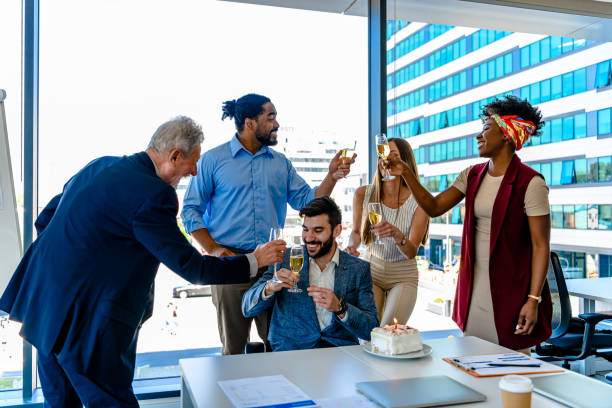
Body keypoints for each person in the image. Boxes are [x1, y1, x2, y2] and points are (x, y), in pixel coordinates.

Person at [0, 116, 285, 408]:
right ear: (175, 155)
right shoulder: (154, 194)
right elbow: (192, 269)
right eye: (193, 162)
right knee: (113, 402)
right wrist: (254, 259)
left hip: (43, 308)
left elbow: (47, 218)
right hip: (88, 325)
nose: (195, 170)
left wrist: (80, 267)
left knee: (59, 403)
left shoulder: (100, 165)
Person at [181, 93, 355, 355]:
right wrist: (214, 249)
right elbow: (191, 210)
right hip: (230, 265)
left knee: (277, 345)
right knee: (233, 350)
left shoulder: (280, 163)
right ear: (250, 123)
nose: (276, 123)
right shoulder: (213, 160)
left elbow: (308, 202)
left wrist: (331, 176)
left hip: (273, 267)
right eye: (270, 116)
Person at [389, 96, 552, 352]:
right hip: (474, 287)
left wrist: (533, 299)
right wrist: (406, 172)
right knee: (474, 361)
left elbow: (541, 245)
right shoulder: (472, 174)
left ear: (507, 134)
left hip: (511, 290)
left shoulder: (531, 183)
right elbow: (433, 207)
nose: (479, 135)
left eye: (486, 128)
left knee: (512, 365)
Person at [242, 196, 378, 351]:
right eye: (305, 229)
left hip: (339, 354)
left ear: (337, 230)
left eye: (318, 230)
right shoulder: (283, 259)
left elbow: (371, 330)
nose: (309, 238)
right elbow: (247, 308)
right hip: (292, 352)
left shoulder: (358, 269)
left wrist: (341, 308)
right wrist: (269, 287)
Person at [346, 138, 429, 326]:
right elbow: (356, 233)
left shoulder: (419, 201)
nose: (386, 160)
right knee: (368, 333)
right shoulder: (362, 194)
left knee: (387, 332)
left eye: (394, 156)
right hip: (371, 269)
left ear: (405, 163)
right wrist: (351, 246)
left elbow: (411, 252)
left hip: (403, 274)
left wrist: (396, 234)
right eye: (383, 155)